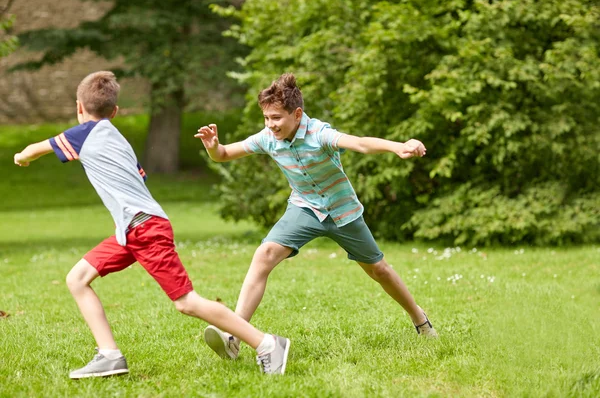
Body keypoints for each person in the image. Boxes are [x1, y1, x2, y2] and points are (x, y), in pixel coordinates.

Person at [13, 71, 290, 378]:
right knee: (77, 278)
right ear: (115, 112)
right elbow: (138, 177)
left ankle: (267, 343)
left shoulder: (84, 133)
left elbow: (37, 148)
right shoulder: (118, 139)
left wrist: (21, 156)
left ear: (79, 107)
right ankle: (109, 356)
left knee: (186, 302)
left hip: (144, 229)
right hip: (132, 229)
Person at [195, 73, 437, 361]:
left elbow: (359, 143)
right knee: (265, 254)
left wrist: (398, 146)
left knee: (379, 270)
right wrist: (212, 147)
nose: (271, 125)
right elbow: (223, 154)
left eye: (276, 118)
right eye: (266, 118)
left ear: (297, 114)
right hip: (304, 208)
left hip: (342, 211)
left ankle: (420, 318)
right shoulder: (268, 139)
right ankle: (234, 336)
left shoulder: (319, 134)